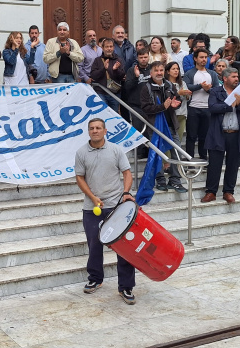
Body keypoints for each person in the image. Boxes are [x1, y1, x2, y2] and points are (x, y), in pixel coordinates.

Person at [75, 118, 136, 305]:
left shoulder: (116, 150)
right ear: (88, 131)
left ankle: (126, 286)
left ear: (105, 131)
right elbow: (79, 177)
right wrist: (93, 197)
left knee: (123, 248)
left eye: (98, 128)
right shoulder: (81, 152)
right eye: (92, 128)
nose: (95, 131)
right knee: (94, 245)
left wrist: (126, 193)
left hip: (116, 206)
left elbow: (127, 173)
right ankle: (95, 278)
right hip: (92, 207)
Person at [201, 68, 240, 204]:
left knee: (233, 164)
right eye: (234, 77)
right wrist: (230, 105)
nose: (237, 79)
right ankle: (211, 192)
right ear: (225, 78)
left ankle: (228, 191)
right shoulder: (215, 91)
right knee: (214, 164)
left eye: (237, 76)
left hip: (236, 134)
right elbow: (212, 107)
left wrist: (239, 103)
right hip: (218, 133)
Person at [140, 61, 186, 192]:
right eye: (156, 70)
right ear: (151, 73)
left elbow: (176, 98)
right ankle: (160, 180)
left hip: (171, 124)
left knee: (176, 152)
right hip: (155, 127)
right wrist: (162, 107)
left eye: (161, 70)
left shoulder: (169, 85)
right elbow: (145, 108)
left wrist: (176, 103)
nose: (159, 73)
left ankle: (175, 180)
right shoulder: (146, 88)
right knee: (157, 154)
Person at [183, 48, 218, 160]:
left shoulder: (212, 73)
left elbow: (217, 90)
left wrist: (208, 90)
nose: (204, 59)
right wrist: (201, 86)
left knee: (204, 136)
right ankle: (190, 159)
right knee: (191, 136)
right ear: (195, 58)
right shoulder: (190, 73)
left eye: (206, 57)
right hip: (193, 108)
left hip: (207, 108)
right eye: (201, 57)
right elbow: (187, 87)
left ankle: (203, 158)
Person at [89, 37, 125, 110]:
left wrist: (116, 70)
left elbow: (122, 76)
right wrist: (103, 69)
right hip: (101, 92)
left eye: (111, 46)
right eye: (107, 47)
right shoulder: (97, 60)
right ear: (102, 48)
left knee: (114, 115)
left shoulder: (118, 60)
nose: (109, 49)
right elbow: (93, 76)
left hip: (114, 93)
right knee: (102, 114)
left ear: (113, 47)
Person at [123, 48, 152, 133]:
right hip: (136, 105)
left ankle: (149, 147)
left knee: (150, 130)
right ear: (137, 58)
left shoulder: (153, 69)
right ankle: (140, 147)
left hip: (150, 105)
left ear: (148, 57)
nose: (143, 59)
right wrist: (136, 77)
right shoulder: (131, 70)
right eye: (141, 57)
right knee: (139, 130)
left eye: (145, 57)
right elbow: (127, 87)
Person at [166, 61, 191, 144]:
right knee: (169, 140)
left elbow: (188, 98)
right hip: (170, 115)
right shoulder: (166, 84)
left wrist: (187, 94)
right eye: (173, 69)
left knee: (178, 140)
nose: (176, 71)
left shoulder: (182, 83)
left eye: (177, 69)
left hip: (182, 114)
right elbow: (166, 98)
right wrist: (179, 93)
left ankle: (176, 156)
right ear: (168, 71)